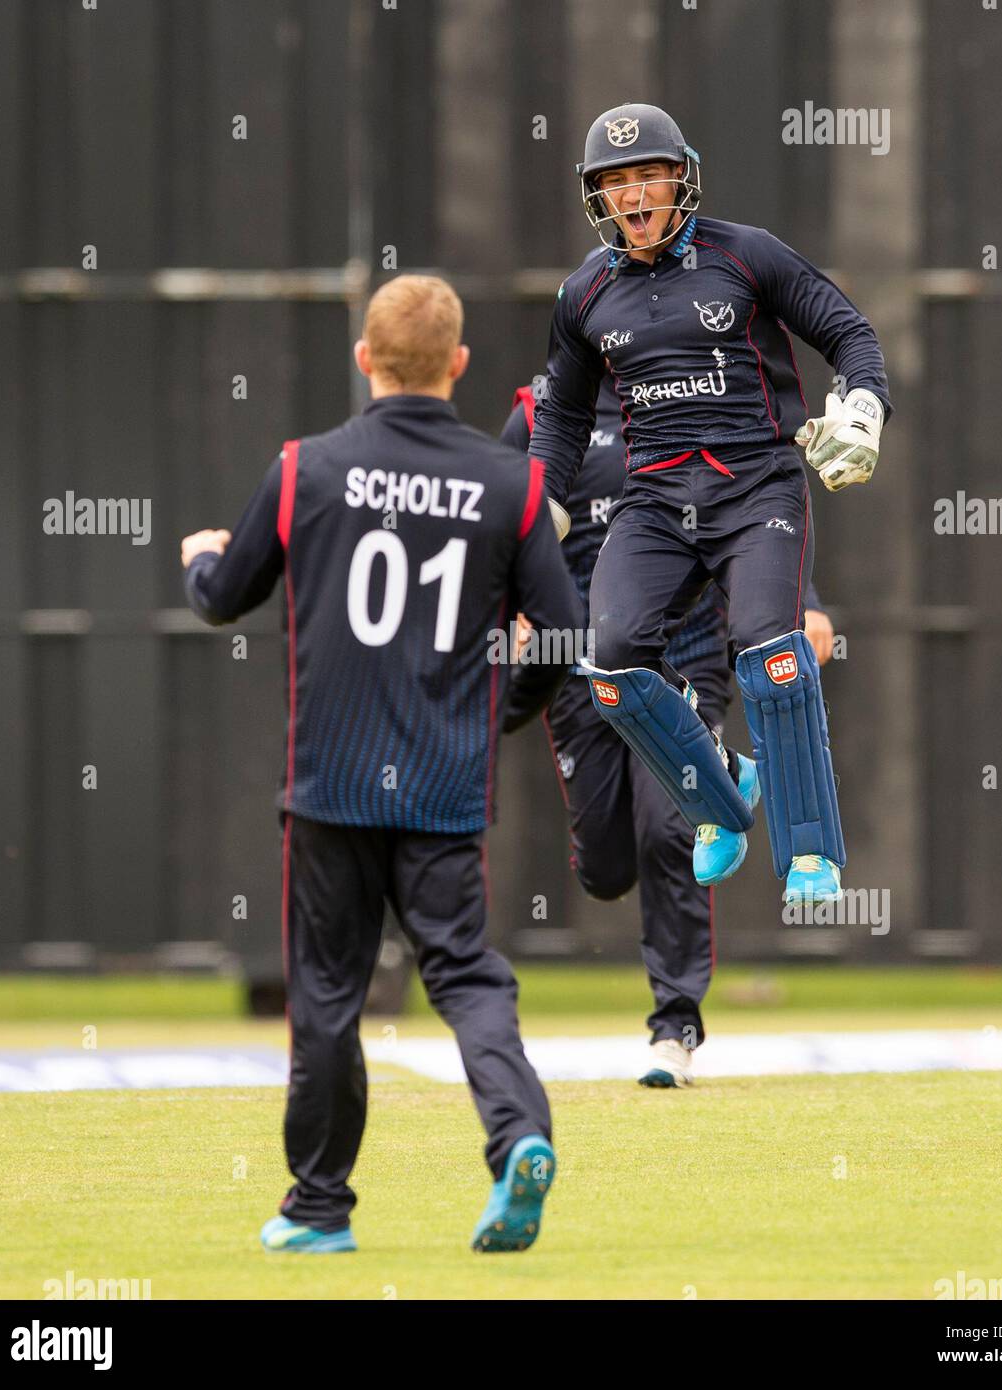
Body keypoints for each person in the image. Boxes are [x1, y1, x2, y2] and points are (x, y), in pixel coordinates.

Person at [180, 275, 581, 1253]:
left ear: (364, 360)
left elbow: (225, 598)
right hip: (445, 787)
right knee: (467, 976)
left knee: (325, 993)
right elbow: (565, 637)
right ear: (460, 364)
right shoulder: (513, 483)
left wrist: (198, 559)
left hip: (331, 788)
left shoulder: (304, 467)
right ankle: (518, 1131)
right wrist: (502, 718)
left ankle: (319, 1208)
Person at [528, 102, 890, 906]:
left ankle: (808, 853)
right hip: (654, 497)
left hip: (757, 485)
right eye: (614, 182)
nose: (633, 196)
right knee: (613, 666)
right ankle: (718, 792)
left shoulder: (745, 254)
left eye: (647, 175)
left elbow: (850, 335)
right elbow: (559, 415)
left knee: (769, 648)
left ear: (681, 175)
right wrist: (540, 501)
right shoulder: (583, 293)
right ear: (597, 197)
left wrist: (863, 409)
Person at [503, 376, 835, 1087]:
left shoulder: (693, 392)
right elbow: (506, 520)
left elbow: (761, 497)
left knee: (670, 832)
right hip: (578, 665)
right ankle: (719, 776)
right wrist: (510, 606)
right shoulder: (538, 414)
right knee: (606, 869)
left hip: (683, 652)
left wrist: (801, 602)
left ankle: (673, 1026)